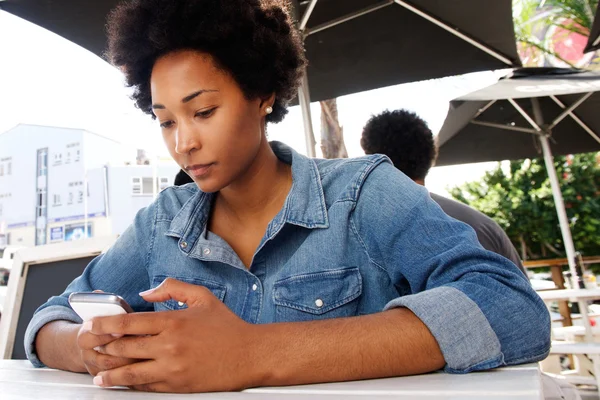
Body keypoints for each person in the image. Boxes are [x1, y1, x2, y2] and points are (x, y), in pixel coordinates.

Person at [25, 0, 549, 393]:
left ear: (262, 94)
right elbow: (49, 321)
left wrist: (249, 353)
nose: (183, 141)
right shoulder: (162, 223)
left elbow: (512, 308)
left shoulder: (364, 193)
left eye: (203, 111)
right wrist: (86, 349)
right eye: (166, 121)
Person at [361, 109, 527, 276]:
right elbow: (525, 299)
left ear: (370, 157)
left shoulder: (358, 234)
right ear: (433, 154)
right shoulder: (483, 227)